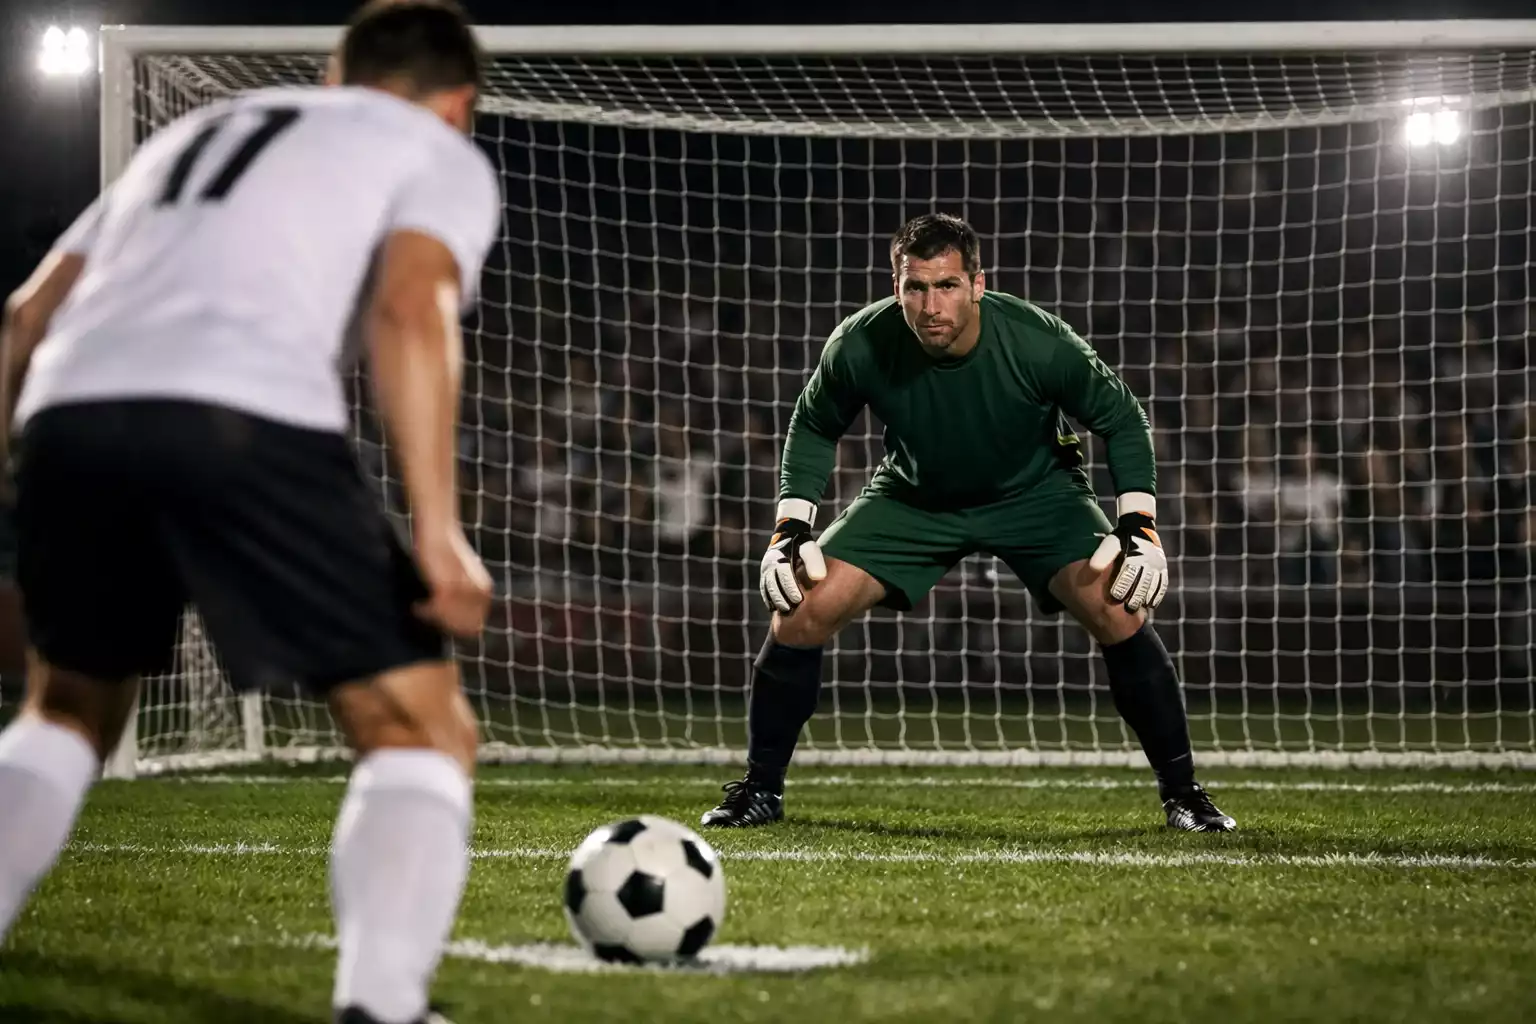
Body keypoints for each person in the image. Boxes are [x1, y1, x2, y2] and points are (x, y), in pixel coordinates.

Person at [0, 3, 500, 1022]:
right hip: (243, 413)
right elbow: (412, 306)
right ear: (459, 103)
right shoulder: (433, 149)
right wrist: (439, 531)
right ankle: (383, 1006)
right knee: (417, 727)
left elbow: (23, 315)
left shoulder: (197, 130)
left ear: (334, 74)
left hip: (68, 411)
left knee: (64, 712)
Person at [702, 213, 1235, 834]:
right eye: (916, 287)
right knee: (799, 610)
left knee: (1119, 607)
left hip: (1037, 495)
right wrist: (790, 526)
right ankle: (761, 791)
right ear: (895, 285)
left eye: (947, 285)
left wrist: (1139, 525)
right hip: (913, 498)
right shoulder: (860, 342)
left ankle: (1184, 794)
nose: (931, 305)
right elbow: (816, 423)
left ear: (979, 284)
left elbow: (1122, 417)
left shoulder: (1038, 340)